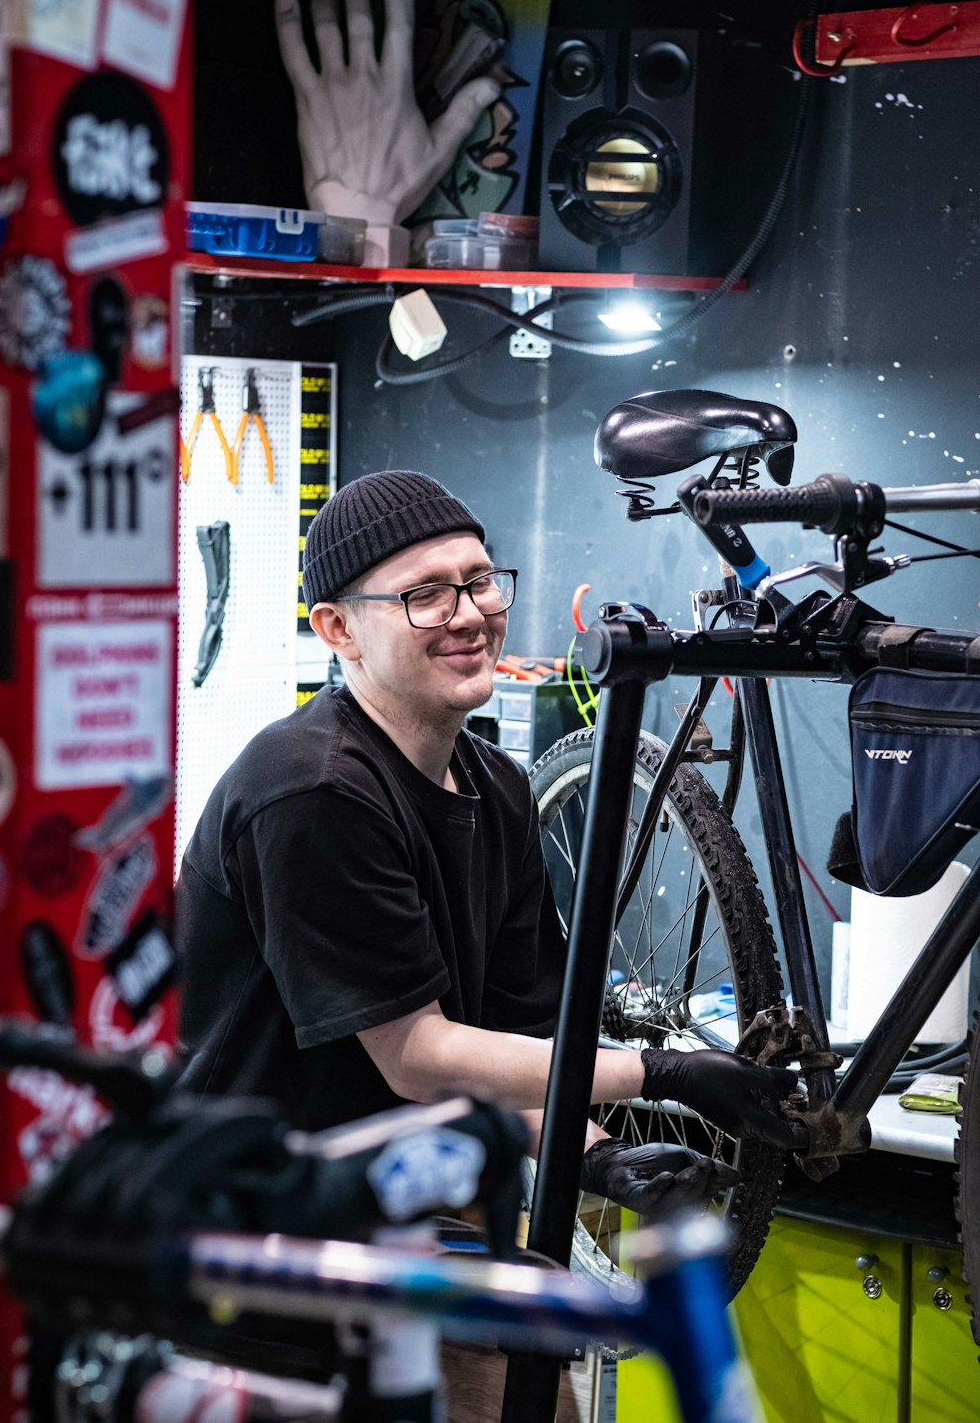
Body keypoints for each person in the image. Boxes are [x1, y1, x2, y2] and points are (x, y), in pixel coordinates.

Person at [175, 469, 797, 1412]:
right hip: (260, 1251)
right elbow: (421, 1058)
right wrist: (660, 1074)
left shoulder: (498, 787)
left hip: (407, 1212)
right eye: (423, 594)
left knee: (539, 1398)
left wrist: (593, 1153)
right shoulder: (312, 791)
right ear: (338, 628)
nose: (467, 613)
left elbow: (515, 1047)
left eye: (477, 581)